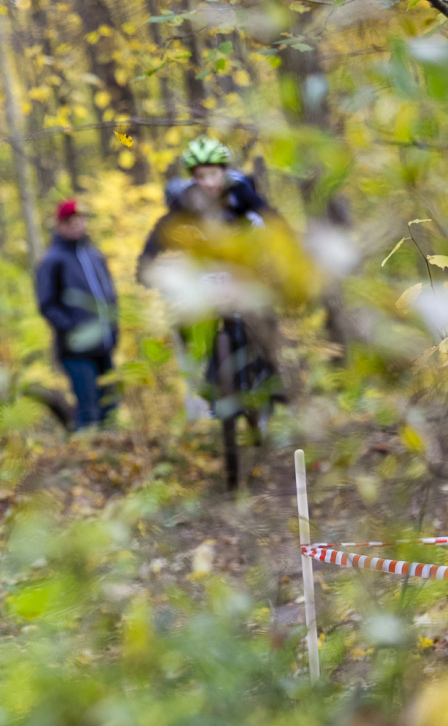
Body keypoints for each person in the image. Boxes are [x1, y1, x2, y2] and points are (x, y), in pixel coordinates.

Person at [136, 137, 288, 489]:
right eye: (200, 176)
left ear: (224, 172)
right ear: (193, 177)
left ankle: (272, 378)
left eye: (213, 174)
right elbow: (159, 236)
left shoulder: (242, 195)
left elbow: (273, 224)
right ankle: (207, 382)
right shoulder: (185, 204)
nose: (208, 182)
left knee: (263, 315)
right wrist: (147, 266)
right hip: (207, 284)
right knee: (188, 320)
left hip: (243, 276)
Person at [35, 201, 119, 430]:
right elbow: (47, 304)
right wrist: (72, 328)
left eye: (80, 220)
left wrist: (113, 329)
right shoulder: (52, 260)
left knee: (110, 408)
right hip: (76, 350)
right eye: (70, 221)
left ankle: (113, 448)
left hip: (104, 344)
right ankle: (85, 446)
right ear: (60, 225)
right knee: (89, 409)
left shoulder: (94, 255)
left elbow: (110, 295)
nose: (77, 225)